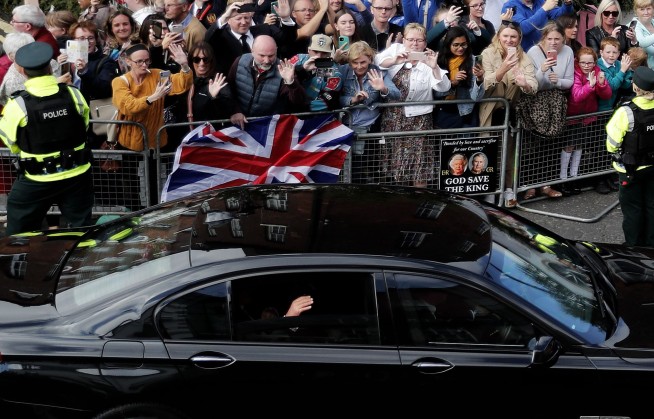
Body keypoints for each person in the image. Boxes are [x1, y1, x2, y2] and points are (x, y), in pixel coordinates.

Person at [0, 42, 93, 235]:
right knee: (82, 231)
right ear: (50, 68)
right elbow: (84, 125)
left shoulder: (17, 104)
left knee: (19, 236)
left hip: (36, 178)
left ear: (23, 71)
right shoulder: (74, 95)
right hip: (77, 175)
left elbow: (10, 141)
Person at [112, 42, 193, 206]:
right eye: (139, 62)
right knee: (129, 180)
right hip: (129, 140)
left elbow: (181, 84)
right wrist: (152, 98)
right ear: (128, 62)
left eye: (147, 61)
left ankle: (155, 209)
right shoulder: (120, 82)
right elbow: (128, 106)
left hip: (155, 139)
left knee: (155, 179)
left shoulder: (157, 74)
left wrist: (184, 65)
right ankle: (132, 213)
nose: (144, 65)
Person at [375, 23, 451, 187]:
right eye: (410, 39)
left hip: (420, 120)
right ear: (404, 40)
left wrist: (435, 67)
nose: (414, 44)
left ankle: (419, 202)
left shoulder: (429, 60)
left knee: (420, 166)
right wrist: (395, 60)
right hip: (393, 118)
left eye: (419, 40)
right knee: (398, 166)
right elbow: (377, 62)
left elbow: (444, 88)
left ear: (425, 42)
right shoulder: (395, 49)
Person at [522, 20, 573, 200]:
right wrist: (542, 71)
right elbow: (532, 83)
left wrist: (557, 81)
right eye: (550, 38)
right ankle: (529, 185)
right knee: (532, 145)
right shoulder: (534, 52)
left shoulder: (568, 52)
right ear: (544, 38)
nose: (553, 42)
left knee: (551, 145)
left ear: (563, 39)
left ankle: (546, 185)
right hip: (536, 101)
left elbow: (569, 81)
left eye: (557, 39)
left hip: (556, 102)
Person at [606, 66, 654, 247]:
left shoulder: (626, 111)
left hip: (630, 169)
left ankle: (634, 248)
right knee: (652, 206)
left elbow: (612, 142)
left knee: (633, 210)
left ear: (635, 87)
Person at [339, 40, 400, 184]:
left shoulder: (378, 72)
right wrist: (353, 100)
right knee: (347, 168)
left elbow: (396, 94)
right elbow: (333, 97)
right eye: (355, 63)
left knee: (364, 168)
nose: (359, 66)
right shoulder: (342, 71)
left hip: (370, 127)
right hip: (346, 125)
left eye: (363, 62)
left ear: (370, 60)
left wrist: (383, 88)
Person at [227, 35, 307, 129]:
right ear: (252, 51)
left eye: (271, 56)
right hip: (238, 123)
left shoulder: (283, 70)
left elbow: (299, 102)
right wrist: (235, 111)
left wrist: (291, 82)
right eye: (262, 55)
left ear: (276, 51)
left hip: (265, 128)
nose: (266, 60)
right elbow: (229, 91)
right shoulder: (240, 61)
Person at [563, 46, 612, 196]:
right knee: (569, 146)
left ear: (594, 62)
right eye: (583, 62)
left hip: (588, 116)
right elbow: (577, 96)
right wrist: (590, 85)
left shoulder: (597, 71)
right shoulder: (575, 73)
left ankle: (575, 176)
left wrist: (602, 84)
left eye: (590, 63)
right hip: (573, 116)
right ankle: (563, 178)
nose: (586, 66)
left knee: (579, 146)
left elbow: (606, 95)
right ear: (578, 61)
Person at [205, 0, 298, 75]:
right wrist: (224, 17)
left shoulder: (264, 30)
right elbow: (207, 40)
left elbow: (287, 39)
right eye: (238, 18)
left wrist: (285, 18)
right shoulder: (222, 37)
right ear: (228, 20)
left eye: (246, 18)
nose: (244, 22)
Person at [478, 19, 538, 128]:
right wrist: (502, 70)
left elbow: (533, 85)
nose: (509, 40)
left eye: (513, 37)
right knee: (490, 141)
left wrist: (525, 84)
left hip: (512, 112)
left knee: (509, 144)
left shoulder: (524, 58)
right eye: (505, 36)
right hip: (490, 109)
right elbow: (484, 84)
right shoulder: (488, 54)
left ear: (519, 38)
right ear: (498, 36)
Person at [596, 36, 633, 194]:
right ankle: (598, 179)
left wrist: (627, 72)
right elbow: (611, 86)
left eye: (615, 52)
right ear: (601, 52)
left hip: (613, 109)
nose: (612, 55)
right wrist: (623, 71)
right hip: (599, 109)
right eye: (608, 52)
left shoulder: (618, 64)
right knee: (599, 146)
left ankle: (609, 175)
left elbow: (625, 85)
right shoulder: (599, 66)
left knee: (612, 145)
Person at [434, 25, 485, 129]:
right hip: (444, 113)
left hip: (466, 113)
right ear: (448, 45)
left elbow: (476, 97)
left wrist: (479, 80)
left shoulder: (472, 61)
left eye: (463, 44)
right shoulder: (439, 61)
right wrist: (453, 82)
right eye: (456, 45)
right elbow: (436, 93)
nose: (460, 48)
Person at [184, 41, 233, 125]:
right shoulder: (185, 80)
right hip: (186, 133)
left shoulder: (218, 81)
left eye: (206, 59)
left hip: (210, 133)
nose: (201, 63)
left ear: (211, 61)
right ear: (191, 61)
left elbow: (226, 112)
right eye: (197, 59)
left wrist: (214, 98)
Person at [292, 33, 344, 111]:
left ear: (329, 54)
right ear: (309, 50)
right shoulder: (299, 59)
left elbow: (326, 101)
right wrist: (302, 69)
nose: (319, 56)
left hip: (310, 114)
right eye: (316, 51)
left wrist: (302, 108)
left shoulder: (334, 73)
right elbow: (283, 81)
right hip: (287, 106)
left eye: (324, 53)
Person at [500, 0, 574, 51]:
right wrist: (544, 9)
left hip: (543, 51)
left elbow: (559, 16)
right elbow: (522, 28)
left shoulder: (540, 1)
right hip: (523, 54)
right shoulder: (510, 6)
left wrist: (567, 4)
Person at [632, 0, 654, 70]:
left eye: (648, 8)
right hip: (646, 70)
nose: (646, 12)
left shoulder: (653, 22)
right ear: (636, 11)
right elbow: (642, 43)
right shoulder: (634, 25)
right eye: (642, 9)